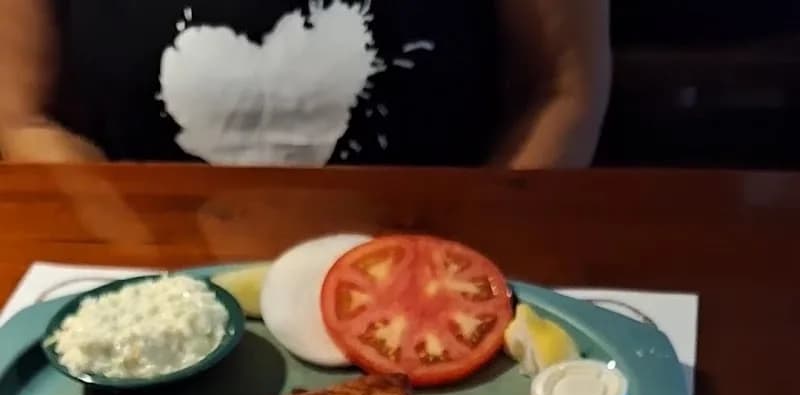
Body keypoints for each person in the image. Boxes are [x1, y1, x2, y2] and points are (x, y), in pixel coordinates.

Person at [0, 0, 610, 168]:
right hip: (150, 284)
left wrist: (462, 280)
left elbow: (561, 91)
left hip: (436, 265)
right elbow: (20, 118)